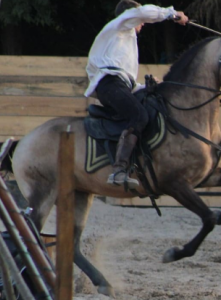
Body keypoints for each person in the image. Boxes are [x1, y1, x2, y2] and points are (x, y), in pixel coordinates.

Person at [84, 0, 189, 186]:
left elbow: (126, 84)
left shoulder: (122, 39)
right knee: (139, 115)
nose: (143, 24)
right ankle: (118, 171)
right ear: (130, 14)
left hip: (115, 85)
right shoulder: (121, 25)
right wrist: (172, 14)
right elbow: (142, 13)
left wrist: (146, 87)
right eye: (140, 19)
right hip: (110, 85)